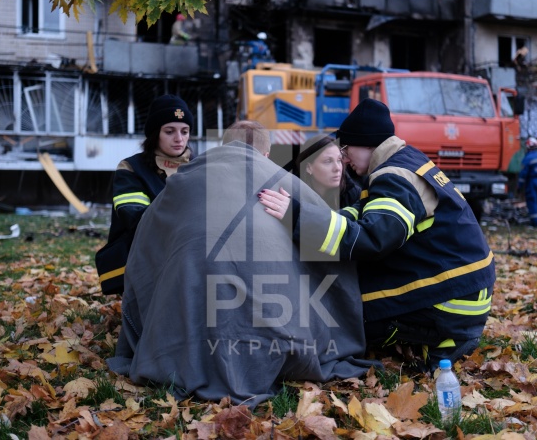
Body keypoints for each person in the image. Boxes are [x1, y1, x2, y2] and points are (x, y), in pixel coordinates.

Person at [107, 120, 374, 406]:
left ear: (224, 146)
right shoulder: (286, 183)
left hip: (185, 336)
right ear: (267, 155)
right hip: (279, 336)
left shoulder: (185, 178)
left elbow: (146, 241)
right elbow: (330, 244)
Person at [259, 99, 495, 371]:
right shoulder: (407, 160)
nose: (344, 160)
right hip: (465, 286)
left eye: (345, 150)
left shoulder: (393, 176)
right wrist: (312, 215)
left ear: (368, 144)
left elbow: (372, 239)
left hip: (453, 299)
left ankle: (445, 338)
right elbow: (366, 212)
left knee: (345, 307)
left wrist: (298, 217)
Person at [95, 94, 194, 294]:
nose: (179, 139)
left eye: (185, 131)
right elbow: (137, 218)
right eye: (169, 131)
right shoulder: (131, 168)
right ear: (155, 133)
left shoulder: (201, 166)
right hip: (145, 256)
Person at [292, 134, 360, 209]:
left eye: (339, 160)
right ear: (308, 167)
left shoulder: (353, 195)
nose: (337, 168)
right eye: (328, 161)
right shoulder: (293, 197)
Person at [517, 137, 537, 227]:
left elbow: (523, 174)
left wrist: (519, 186)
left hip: (532, 182)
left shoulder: (527, 158)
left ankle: (535, 223)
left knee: (532, 201)